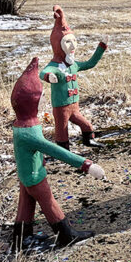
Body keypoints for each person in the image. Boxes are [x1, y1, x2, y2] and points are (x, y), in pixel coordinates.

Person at [11, 57, 105, 251]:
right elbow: (54, 150)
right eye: (40, 96)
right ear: (32, 102)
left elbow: (30, 151)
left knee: (26, 205)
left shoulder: (21, 125)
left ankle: (21, 238)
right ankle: (66, 235)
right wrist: (87, 165)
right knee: (48, 202)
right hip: (35, 176)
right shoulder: (29, 131)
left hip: (27, 174)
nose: (44, 98)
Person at [40, 5, 108, 151]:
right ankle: (64, 151)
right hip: (61, 106)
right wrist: (48, 76)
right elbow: (42, 72)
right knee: (62, 130)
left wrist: (101, 47)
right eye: (68, 42)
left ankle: (89, 140)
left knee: (87, 125)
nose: (73, 46)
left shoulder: (74, 65)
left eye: (74, 41)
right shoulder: (55, 66)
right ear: (59, 45)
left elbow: (90, 63)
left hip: (74, 106)